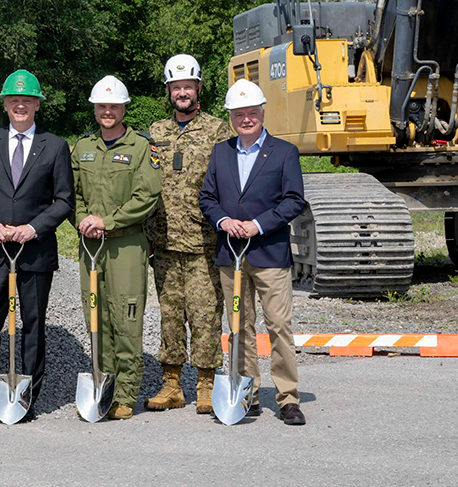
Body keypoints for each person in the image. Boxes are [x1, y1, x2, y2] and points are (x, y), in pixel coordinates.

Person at [0, 69, 74, 424]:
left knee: (33, 324)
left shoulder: (55, 146)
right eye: (14, 100)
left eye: (27, 100)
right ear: (5, 105)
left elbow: (64, 200)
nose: (20, 105)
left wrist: (33, 228)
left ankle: (26, 397)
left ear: (38, 105)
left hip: (35, 252)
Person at [198, 79, 307, 426]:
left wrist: (257, 225)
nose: (246, 119)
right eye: (239, 114)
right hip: (232, 254)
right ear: (231, 117)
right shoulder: (221, 152)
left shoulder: (284, 152)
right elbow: (207, 199)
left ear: (262, 113)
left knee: (278, 326)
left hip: (269, 253)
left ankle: (288, 398)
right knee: (238, 327)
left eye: (252, 113)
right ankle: (247, 392)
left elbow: (294, 201)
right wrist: (225, 220)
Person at [145, 55, 233, 414]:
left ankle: (206, 384)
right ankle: (171, 385)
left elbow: (229, 181)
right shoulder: (156, 131)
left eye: (188, 86)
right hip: (164, 241)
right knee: (169, 314)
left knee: (205, 315)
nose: (182, 92)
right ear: (168, 91)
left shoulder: (217, 131)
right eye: (175, 87)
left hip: (203, 242)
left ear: (199, 88)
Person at [71, 75, 161, 420]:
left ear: (124, 108)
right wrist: (83, 219)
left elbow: (147, 195)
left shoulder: (141, 147)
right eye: (102, 106)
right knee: (96, 317)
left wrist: (108, 221)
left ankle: (125, 394)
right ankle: (101, 386)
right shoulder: (82, 148)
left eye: (114, 106)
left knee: (126, 317)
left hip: (126, 245)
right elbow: (74, 193)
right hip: (89, 245)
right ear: (95, 109)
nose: (107, 111)